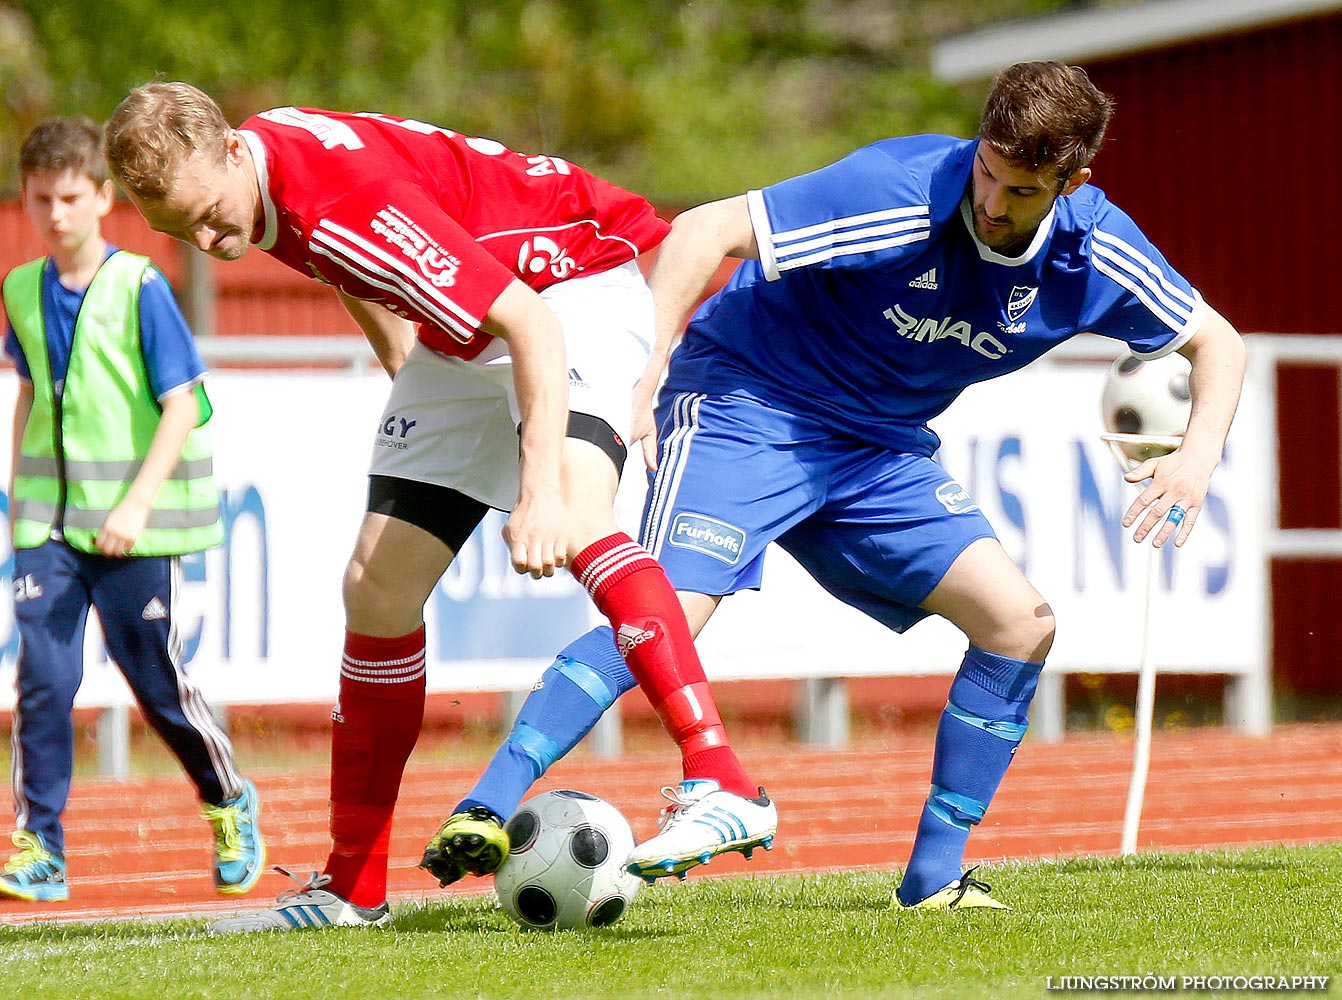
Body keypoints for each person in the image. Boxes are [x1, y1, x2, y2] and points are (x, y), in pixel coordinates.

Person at [424, 60, 1247, 906]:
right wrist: (645, 372)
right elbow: (703, 229)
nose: (993, 205)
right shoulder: (896, 187)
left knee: (1019, 623)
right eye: (987, 174)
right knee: (665, 616)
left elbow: (1219, 343)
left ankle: (933, 881)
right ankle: (484, 802)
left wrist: (1197, 454)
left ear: (1072, 184)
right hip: (752, 398)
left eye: (1023, 191)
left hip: (879, 449)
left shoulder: (1097, 248)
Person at [103, 83, 777, 931]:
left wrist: (534, 494)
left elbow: (530, 323)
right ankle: (353, 887)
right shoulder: (262, 173)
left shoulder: (340, 202)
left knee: (575, 512)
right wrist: (409, 387)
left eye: (207, 216)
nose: (207, 242)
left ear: (234, 150)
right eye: (180, 234)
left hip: (571, 284)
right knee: (375, 589)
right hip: (468, 331)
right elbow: (340, 265)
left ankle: (721, 776)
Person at [0, 117, 264, 903]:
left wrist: (137, 502)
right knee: (43, 676)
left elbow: (184, 404)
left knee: (154, 680)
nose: (56, 214)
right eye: (42, 199)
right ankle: (38, 845)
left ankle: (227, 800)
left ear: (104, 199)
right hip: (49, 522)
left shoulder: (140, 286)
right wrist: (18, 496)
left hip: (135, 525)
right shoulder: (18, 288)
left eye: (71, 197)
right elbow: (32, 393)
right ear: (26, 197)